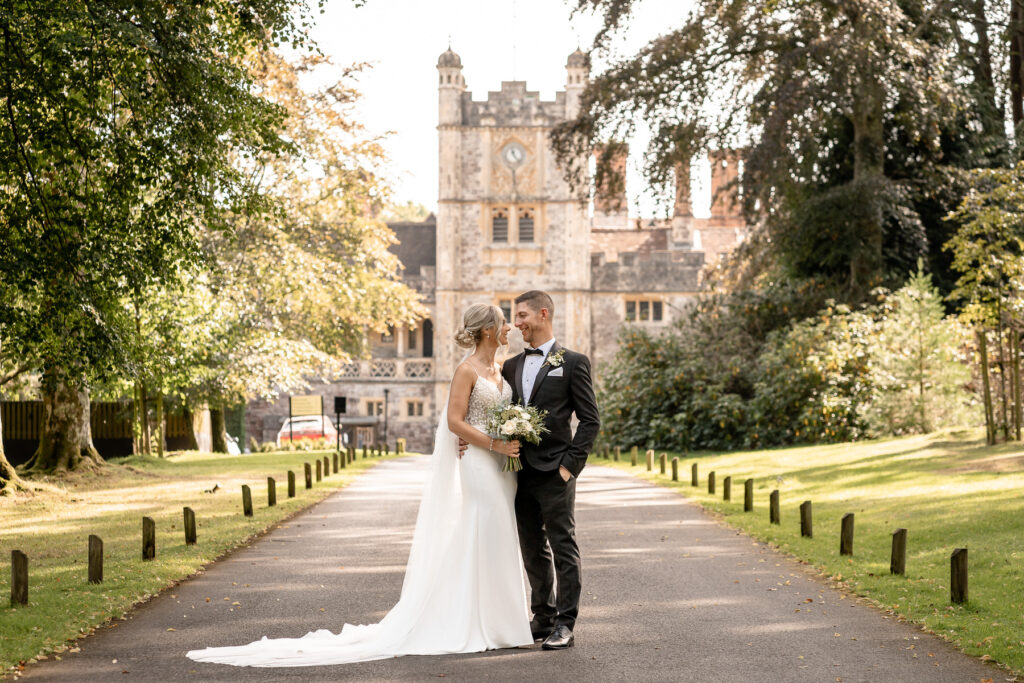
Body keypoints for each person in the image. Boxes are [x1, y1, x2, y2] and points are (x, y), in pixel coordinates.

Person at [186, 304, 533, 667]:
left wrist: (510, 435)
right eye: (504, 321)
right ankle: (471, 622)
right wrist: (494, 443)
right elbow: (454, 422)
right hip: (480, 463)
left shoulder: (500, 369)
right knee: (482, 530)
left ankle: (501, 624)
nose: (509, 326)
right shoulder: (466, 371)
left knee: (498, 535)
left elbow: (499, 414)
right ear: (488, 330)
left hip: (502, 464)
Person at [501, 290, 600, 650]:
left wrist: (568, 468)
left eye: (523, 315)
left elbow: (590, 421)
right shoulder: (510, 365)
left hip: (555, 471)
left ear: (543, 314)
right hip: (518, 471)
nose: (517, 323)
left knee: (562, 546)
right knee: (531, 547)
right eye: (515, 316)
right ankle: (542, 616)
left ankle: (566, 624)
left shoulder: (573, 362)